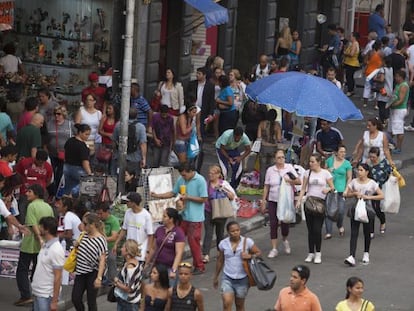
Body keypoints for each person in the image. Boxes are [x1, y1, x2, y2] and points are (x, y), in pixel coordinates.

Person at [151, 162, 208, 274]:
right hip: (182, 216)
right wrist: (158, 195)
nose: (183, 177)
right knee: (175, 239)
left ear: (191, 172)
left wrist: (188, 197)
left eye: (185, 175)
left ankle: (199, 266)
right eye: (182, 175)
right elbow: (173, 192)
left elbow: (204, 198)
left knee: (193, 242)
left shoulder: (200, 180)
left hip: (195, 218)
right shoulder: (181, 180)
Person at [15, 184, 54, 307]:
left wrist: (38, 238)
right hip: (43, 244)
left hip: (30, 243)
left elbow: (33, 224)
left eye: (29, 191)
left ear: (36, 193)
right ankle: (38, 294)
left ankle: (26, 295)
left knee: (22, 270)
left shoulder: (31, 206)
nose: (27, 193)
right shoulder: (48, 207)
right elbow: (51, 224)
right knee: (38, 269)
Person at [261, 149, 301, 258]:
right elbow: (266, 186)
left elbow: (298, 181)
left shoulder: (289, 168)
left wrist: (289, 181)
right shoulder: (270, 170)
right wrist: (264, 200)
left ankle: (284, 238)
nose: (281, 159)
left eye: (283, 157)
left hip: (286, 200)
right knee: (273, 223)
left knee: (284, 222)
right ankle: (274, 248)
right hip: (273, 199)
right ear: (275, 159)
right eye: (279, 157)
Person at [213, 221, 261, 311]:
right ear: (228, 232)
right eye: (233, 231)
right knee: (227, 303)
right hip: (227, 277)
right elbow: (220, 260)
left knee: (239, 305)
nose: (235, 233)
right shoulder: (223, 244)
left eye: (237, 230)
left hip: (243, 278)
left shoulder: (247, 242)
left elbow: (258, 253)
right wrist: (215, 277)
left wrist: (250, 256)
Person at [296, 153, 335, 264]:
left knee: (317, 230)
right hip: (309, 202)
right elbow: (303, 188)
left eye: (313, 162)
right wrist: (299, 200)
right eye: (310, 161)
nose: (311, 164)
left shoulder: (325, 173)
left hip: (320, 204)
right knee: (310, 230)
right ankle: (310, 252)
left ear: (318, 162)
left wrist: (327, 189)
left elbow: (333, 187)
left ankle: (318, 252)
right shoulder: (307, 173)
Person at [344, 163, 384, 266]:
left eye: (361, 170)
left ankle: (366, 253)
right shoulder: (354, 182)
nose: (359, 172)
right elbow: (346, 194)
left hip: (367, 209)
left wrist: (368, 197)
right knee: (354, 232)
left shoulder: (372, 183)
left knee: (367, 232)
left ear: (367, 172)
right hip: (355, 208)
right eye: (358, 170)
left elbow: (381, 195)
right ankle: (351, 255)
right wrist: (354, 194)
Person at [71, 212, 107, 311]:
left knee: (91, 301)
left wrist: (99, 278)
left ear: (92, 225)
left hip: (92, 273)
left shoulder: (100, 240)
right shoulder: (83, 235)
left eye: (85, 223)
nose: (83, 225)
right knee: (75, 298)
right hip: (80, 272)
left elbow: (102, 260)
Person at [202, 165, 236, 264]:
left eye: (213, 173)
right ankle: (206, 254)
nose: (210, 175)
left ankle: (219, 252)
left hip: (221, 211)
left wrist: (222, 189)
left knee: (220, 232)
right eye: (209, 173)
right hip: (208, 210)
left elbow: (232, 196)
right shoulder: (206, 184)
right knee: (208, 232)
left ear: (218, 174)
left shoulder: (224, 184)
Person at [31, 216, 65, 311]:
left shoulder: (56, 249)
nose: (39, 229)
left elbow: (58, 277)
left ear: (47, 229)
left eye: (41, 227)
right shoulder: (46, 246)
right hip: (38, 293)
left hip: (46, 295)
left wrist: (54, 301)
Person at [113, 192, 154, 264]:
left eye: (128, 202)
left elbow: (150, 235)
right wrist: (116, 243)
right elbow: (124, 229)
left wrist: (148, 251)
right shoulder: (128, 213)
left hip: (141, 251)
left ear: (133, 203)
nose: (126, 203)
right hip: (128, 250)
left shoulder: (146, 215)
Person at [147, 208, 185, 282]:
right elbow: (153, 248)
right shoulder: (159, 230)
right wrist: (147, 262)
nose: (162, 218)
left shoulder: (178, 232)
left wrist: (173, 270)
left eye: (164, 216)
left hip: (169, 267)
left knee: (169, 291)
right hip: (158, 266)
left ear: (171, 219)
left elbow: (179, 253)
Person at [324, 145, 352, 239]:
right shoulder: (329, 161)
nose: (343, 154)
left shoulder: (347, 164)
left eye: (344, 152)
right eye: (341, 152)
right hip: (330, 189)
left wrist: (346, 189)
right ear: (336, 152)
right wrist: (328, 170)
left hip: (341, 190)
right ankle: (328, 232)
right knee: (329, 211)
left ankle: (339, 225)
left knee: (340, 211)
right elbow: (323, 173)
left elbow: (349, 178)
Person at [112, 107, 147, 175]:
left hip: (120, 157)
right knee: (133, 178)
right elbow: (143, 144)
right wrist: (144, 158)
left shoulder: (118, 124)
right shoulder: (141, 127)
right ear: (137, 115)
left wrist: (114, 153)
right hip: (135, 158)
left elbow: (114, 141)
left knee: (120, 177)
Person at [46, 105, 72, 195]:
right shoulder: (50, 124)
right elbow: (46, 138)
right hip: (52, 153)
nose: (56, 116)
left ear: (63, 114)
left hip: (65, 154)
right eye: (55, 114)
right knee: (51, 174)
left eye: (59, 114)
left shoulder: (69, 124)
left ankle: (58, 193)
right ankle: (51, 193)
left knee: (60, 174)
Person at [367, 147, 391, 237]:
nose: (372, 159)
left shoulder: (384, 163)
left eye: (373, 157)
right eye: (370, 157)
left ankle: (382, 221)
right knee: (370, 209)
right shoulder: (367, 163)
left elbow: (390, 173)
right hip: (369, 188)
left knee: (377, 209)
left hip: (379, 188)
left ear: (378, 156)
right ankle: (371, 231)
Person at [113, 239, 143, 311]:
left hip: (128, 303)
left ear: (127, 252)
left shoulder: (130, 268)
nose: (121, 249)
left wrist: (116, 282)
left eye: (123, 247)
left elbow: (129, 288)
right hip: (130, 301)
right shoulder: (137, 263)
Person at [63, 124, 92, 195]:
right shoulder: (82, 146)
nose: (87, 136)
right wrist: (89, 173)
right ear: (80, 133)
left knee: (67, 187)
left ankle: (66, 200)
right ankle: (74, 194)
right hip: (78, 169)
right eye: (86, 134)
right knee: (85, 184)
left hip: (66, 167)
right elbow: (85, 161)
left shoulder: (70, 140)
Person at [257, 109, 283, 187]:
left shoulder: (262, 124)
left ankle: (262, 185)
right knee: (272, 168)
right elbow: (279, 138)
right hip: (273, 148)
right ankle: (270, 185)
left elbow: (259, 136)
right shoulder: (277, 125)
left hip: (264, 147)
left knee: (262, 168)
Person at [96, 202, 120, 283]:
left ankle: (113, 280)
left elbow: (114, 237)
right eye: (98, 213)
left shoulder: (114, 221)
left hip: (110, 246)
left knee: (111, 259)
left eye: (101, 214)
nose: (99, 216)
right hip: (99, 246)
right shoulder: (98, 220)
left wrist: (101, 239)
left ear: (107, 212)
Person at [74, 93, 103, 158]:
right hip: (84, 140)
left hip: (95, 140)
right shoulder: (81, 111)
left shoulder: (99, 113)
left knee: (94, 159)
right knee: (85, 158)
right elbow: (76, 125)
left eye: (90, 100)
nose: (88, 102)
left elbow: (100, 127)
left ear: (94, 101)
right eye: (87, 100)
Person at [387, 69, 409, 154]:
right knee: (391, 128)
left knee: (398, 129)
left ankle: (399, 147)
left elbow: (401, 99)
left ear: (401, 77)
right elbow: (394, 96)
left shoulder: (403, 86)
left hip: (399, 110)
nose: (395, 78)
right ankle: (389, 144)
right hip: (394, 109)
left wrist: (392, 104)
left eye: (397, 76)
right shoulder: (398, 85)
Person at [362, 40, 383, 108]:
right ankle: (376, 105)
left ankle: (365, 103)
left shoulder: (370, 52)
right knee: (377, 89)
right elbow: (383, 63)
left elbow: (365, 61)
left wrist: (368, 63)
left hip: (368, 71)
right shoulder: (381, 53)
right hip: (377, 72)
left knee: (367, 87)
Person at [376, 57, 393, 124]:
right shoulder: (391, 69)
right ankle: (386, 119)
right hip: (389, 89)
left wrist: (375, 79)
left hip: (383, 90)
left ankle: (382, 120)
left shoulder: (383, 69)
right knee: (387, 105)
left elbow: (381, 80)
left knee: (381, 105)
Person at [343, 32, 360, 97]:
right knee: (350, 76)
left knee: (349, 77)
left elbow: (351, 54)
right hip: (350, 63)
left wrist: (345, 53)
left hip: (351, 63)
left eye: (351, 36)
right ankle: (351, 90)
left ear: (354, 37)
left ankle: (350, 90)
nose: (350, 37)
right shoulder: (353, 44)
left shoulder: (354, 44)